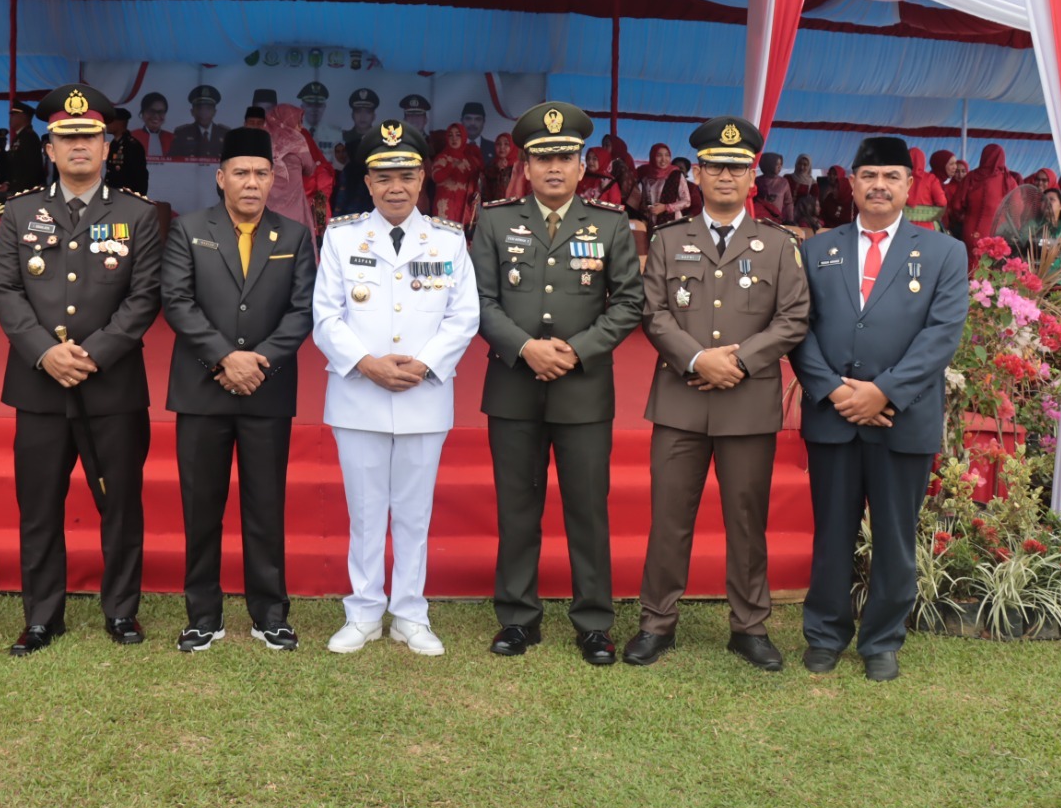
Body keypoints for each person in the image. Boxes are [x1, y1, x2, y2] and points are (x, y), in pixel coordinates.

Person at [625, 115, 810, 671]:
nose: (725, 175)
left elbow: (794, 316)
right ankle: (657, 622)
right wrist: (697, 358)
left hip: (747, 401)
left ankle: (749, 626)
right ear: (697, 174)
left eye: (737, 167)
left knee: (747, 519)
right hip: (681, 399)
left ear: (753, 177)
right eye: (714, 166)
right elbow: (652, 312)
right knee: (669, 516)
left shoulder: (779, 244)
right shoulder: (668, 239)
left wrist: (740, 361)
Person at [0, 84, 164, 656]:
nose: (80, 146)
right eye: (68, 137)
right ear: (50, 146)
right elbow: (6, 290)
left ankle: (121, 612)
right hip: (39, 386)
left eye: (90, 135)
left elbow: (144, 297)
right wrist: (45, 350)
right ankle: (43, 617)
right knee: (38, 506)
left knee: (120, 504)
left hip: (110, 386)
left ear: (109, 144)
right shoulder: (19, 213)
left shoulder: (137, 214)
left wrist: (93, 353)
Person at [791, 136, 969, 682]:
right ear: (852, 183)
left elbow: (942, 336)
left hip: (903, 418)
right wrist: (838, 392)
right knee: (832, 533)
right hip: (833, 416)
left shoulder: (944, 252)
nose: (879, 186)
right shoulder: (816, 249)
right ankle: (825, 633)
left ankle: (883, 640)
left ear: (909, 186)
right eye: (869, 175)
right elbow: (796, 328)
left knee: (895, 536)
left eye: (892, 176)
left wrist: (882, 392)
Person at [471, 102, 643, 665]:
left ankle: (594, 621)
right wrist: (525, 348)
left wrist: (576, 349)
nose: (553, 167)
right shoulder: (494, 221)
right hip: (515, 385)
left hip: (582, 387)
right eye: (542, 157)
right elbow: (479, 301)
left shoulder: (610, 222)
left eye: (564, 157)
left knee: (588, 508)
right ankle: (518, 618)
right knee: (517, 506)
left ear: (581, 164)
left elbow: (630, 302)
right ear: (525, 163)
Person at [314, 120, 479, 656]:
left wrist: (423, 366)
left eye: (406, 175)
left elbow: (464, 317)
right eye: (384, 176)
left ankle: (410, 612)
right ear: (367, 181)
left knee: (414, 513)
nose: (395, 187)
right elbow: (325, 317)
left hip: (424, 396)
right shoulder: (341, 237)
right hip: (359, 395)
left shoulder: (448, 239)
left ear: (423, 177)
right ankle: (362, 611)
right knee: (364, 512)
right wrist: (368, 364)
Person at [160, 127, 317, 652]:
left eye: (262, 173)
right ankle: (203, 614)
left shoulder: (292, 236)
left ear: (275, 179)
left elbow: (302, 311)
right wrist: (225, 358)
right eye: (242, 173)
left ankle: (270, 613)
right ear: (220, 177)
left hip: (266, 393)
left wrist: (261, 362)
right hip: (203, 391)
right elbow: (177, 302)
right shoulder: (188, 229)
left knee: (265, 506)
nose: (253, 183)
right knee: (201, 506)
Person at [262, 103, 318, 238]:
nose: (301, 127)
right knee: (297, 246)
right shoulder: (297, 141)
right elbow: (310, 169)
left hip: (267, 206)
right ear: (288, 122)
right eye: (298, 123)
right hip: (294, 207)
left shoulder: (262, 139)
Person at [952, 143, 1019, 247]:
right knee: (990, 260)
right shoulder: (1008, 180)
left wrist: (964, 217)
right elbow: (1017, 209)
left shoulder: (970, 177)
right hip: (996, 231)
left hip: (969, 229)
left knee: (970, 259)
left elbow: (956, 205)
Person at [334, 89, 380, 214]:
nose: (363, 116)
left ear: (374, 116)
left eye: (367, 112)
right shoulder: (342, 138)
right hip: (349, 198)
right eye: (359, 112)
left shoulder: (380, 141)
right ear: (352, 115)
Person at [431, 123, 484, 226]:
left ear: (464, 137)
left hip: (464, 207)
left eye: (458, 135)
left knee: (462, 238)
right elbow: (436, 177)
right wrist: (451, 166)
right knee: (444, 237)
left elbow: (477, 182)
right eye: (450, 135)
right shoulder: (443, 157)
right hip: (446, 207)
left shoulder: (469, 160)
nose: (454, 139)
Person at [171, 85, 228, 158]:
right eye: (199, 108)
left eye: (208, 108)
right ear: (192, 112)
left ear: (214, 112)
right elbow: (173, 162)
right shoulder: (182, 133)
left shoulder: (225, 133)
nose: (203, 112)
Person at [105, 108, 150, 196]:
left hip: (127, 198)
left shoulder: (132, 145)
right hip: (114, 195)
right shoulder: (114, 144)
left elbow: (140, 176)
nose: (107, 124)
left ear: (119, 123)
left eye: (110, 121)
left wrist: (138, 198)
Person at [904, 147, 948, 230]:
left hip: (903, 226)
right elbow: (942, 202)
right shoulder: (930, 179)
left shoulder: (899, 178)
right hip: (926, 227)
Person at [753, 152, 793, 224]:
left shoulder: (784, 182)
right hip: (760, 219)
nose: (779, 167)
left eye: (781, 164)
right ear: (769, 164)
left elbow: (788, 203)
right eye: (777, 164)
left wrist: (790, 220)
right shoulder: (757, 181)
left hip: (777, 219)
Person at [132, 92, 175, 158]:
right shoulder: (132, 137)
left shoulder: (173, 139)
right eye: (151, 111)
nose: (156, 116)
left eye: (160, 112)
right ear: (142, 114)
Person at [481, 132, 520, 205]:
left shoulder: (519, 167)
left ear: (512, 146)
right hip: (493, 209)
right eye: (498, 144)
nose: (502, 147)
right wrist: (496, 169)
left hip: (514, 208)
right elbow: (484, 192)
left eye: (506, 144)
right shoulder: (490, 167)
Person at [460, 100, 494, 166]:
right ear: (462, 121)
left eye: (477, 119)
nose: (472, 123)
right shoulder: (452, 147)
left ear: (483, 122)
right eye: (468, 119)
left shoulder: (494, 149)